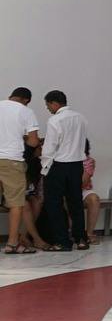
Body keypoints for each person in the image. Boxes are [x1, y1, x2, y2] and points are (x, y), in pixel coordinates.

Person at [40, 90, 91, 251]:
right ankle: (81, 239)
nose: (48, 108)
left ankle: (62, 241)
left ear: (54, 103)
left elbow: (50, 147)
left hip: (58, 165)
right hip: (76, 165)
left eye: (48, 105)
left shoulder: (55, 120)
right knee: (76, 202)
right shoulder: (81, 118)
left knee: (54, 204)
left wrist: (45, 167)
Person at [2, 87, 45, 254]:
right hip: (11, 161)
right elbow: (33, 141)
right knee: (16, 203)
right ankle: (12, 244)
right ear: (26, 100)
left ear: (11, 96)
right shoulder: (26, 111)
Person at [81, 147, 101, 244]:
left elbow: (84, 182)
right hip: (63, 190)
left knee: (94, 199)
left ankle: (89, 234)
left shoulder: (88, 161)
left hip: (82, 189)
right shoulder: (60, 158)